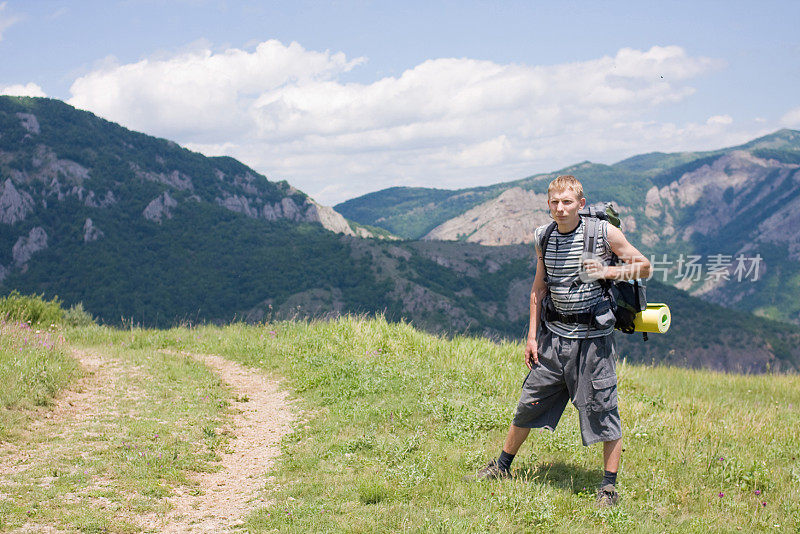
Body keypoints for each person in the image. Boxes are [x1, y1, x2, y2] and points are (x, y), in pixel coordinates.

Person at [468, 175, 651, 507]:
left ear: (580, 204)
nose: (560, 208)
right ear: (548, 203)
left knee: (603, 409)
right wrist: (532, 337)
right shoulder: (544, 236)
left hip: (594, 341)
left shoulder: (603, 233)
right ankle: (502, 466)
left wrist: (606, 272)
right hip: (554, 339)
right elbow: (539, 289)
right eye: (554, 202)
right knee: (529, 401)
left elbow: (644, 267)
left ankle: (609, 487)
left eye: (567, 202)